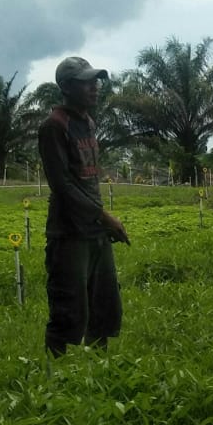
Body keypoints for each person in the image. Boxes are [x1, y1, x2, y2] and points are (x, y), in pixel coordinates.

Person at [39, 55, 130, 355]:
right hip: (69, 233)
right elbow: (62, 185)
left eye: (95, 81)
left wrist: (101, 222)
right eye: (86, 83)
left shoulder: (88, 122)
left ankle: (100, 373)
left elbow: (88, 178)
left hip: (94, 230)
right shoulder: (54, 126)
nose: (94, 88)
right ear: (66, 87)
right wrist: (104, 216)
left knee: (104, 304)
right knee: (69, 308)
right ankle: (54, 375)